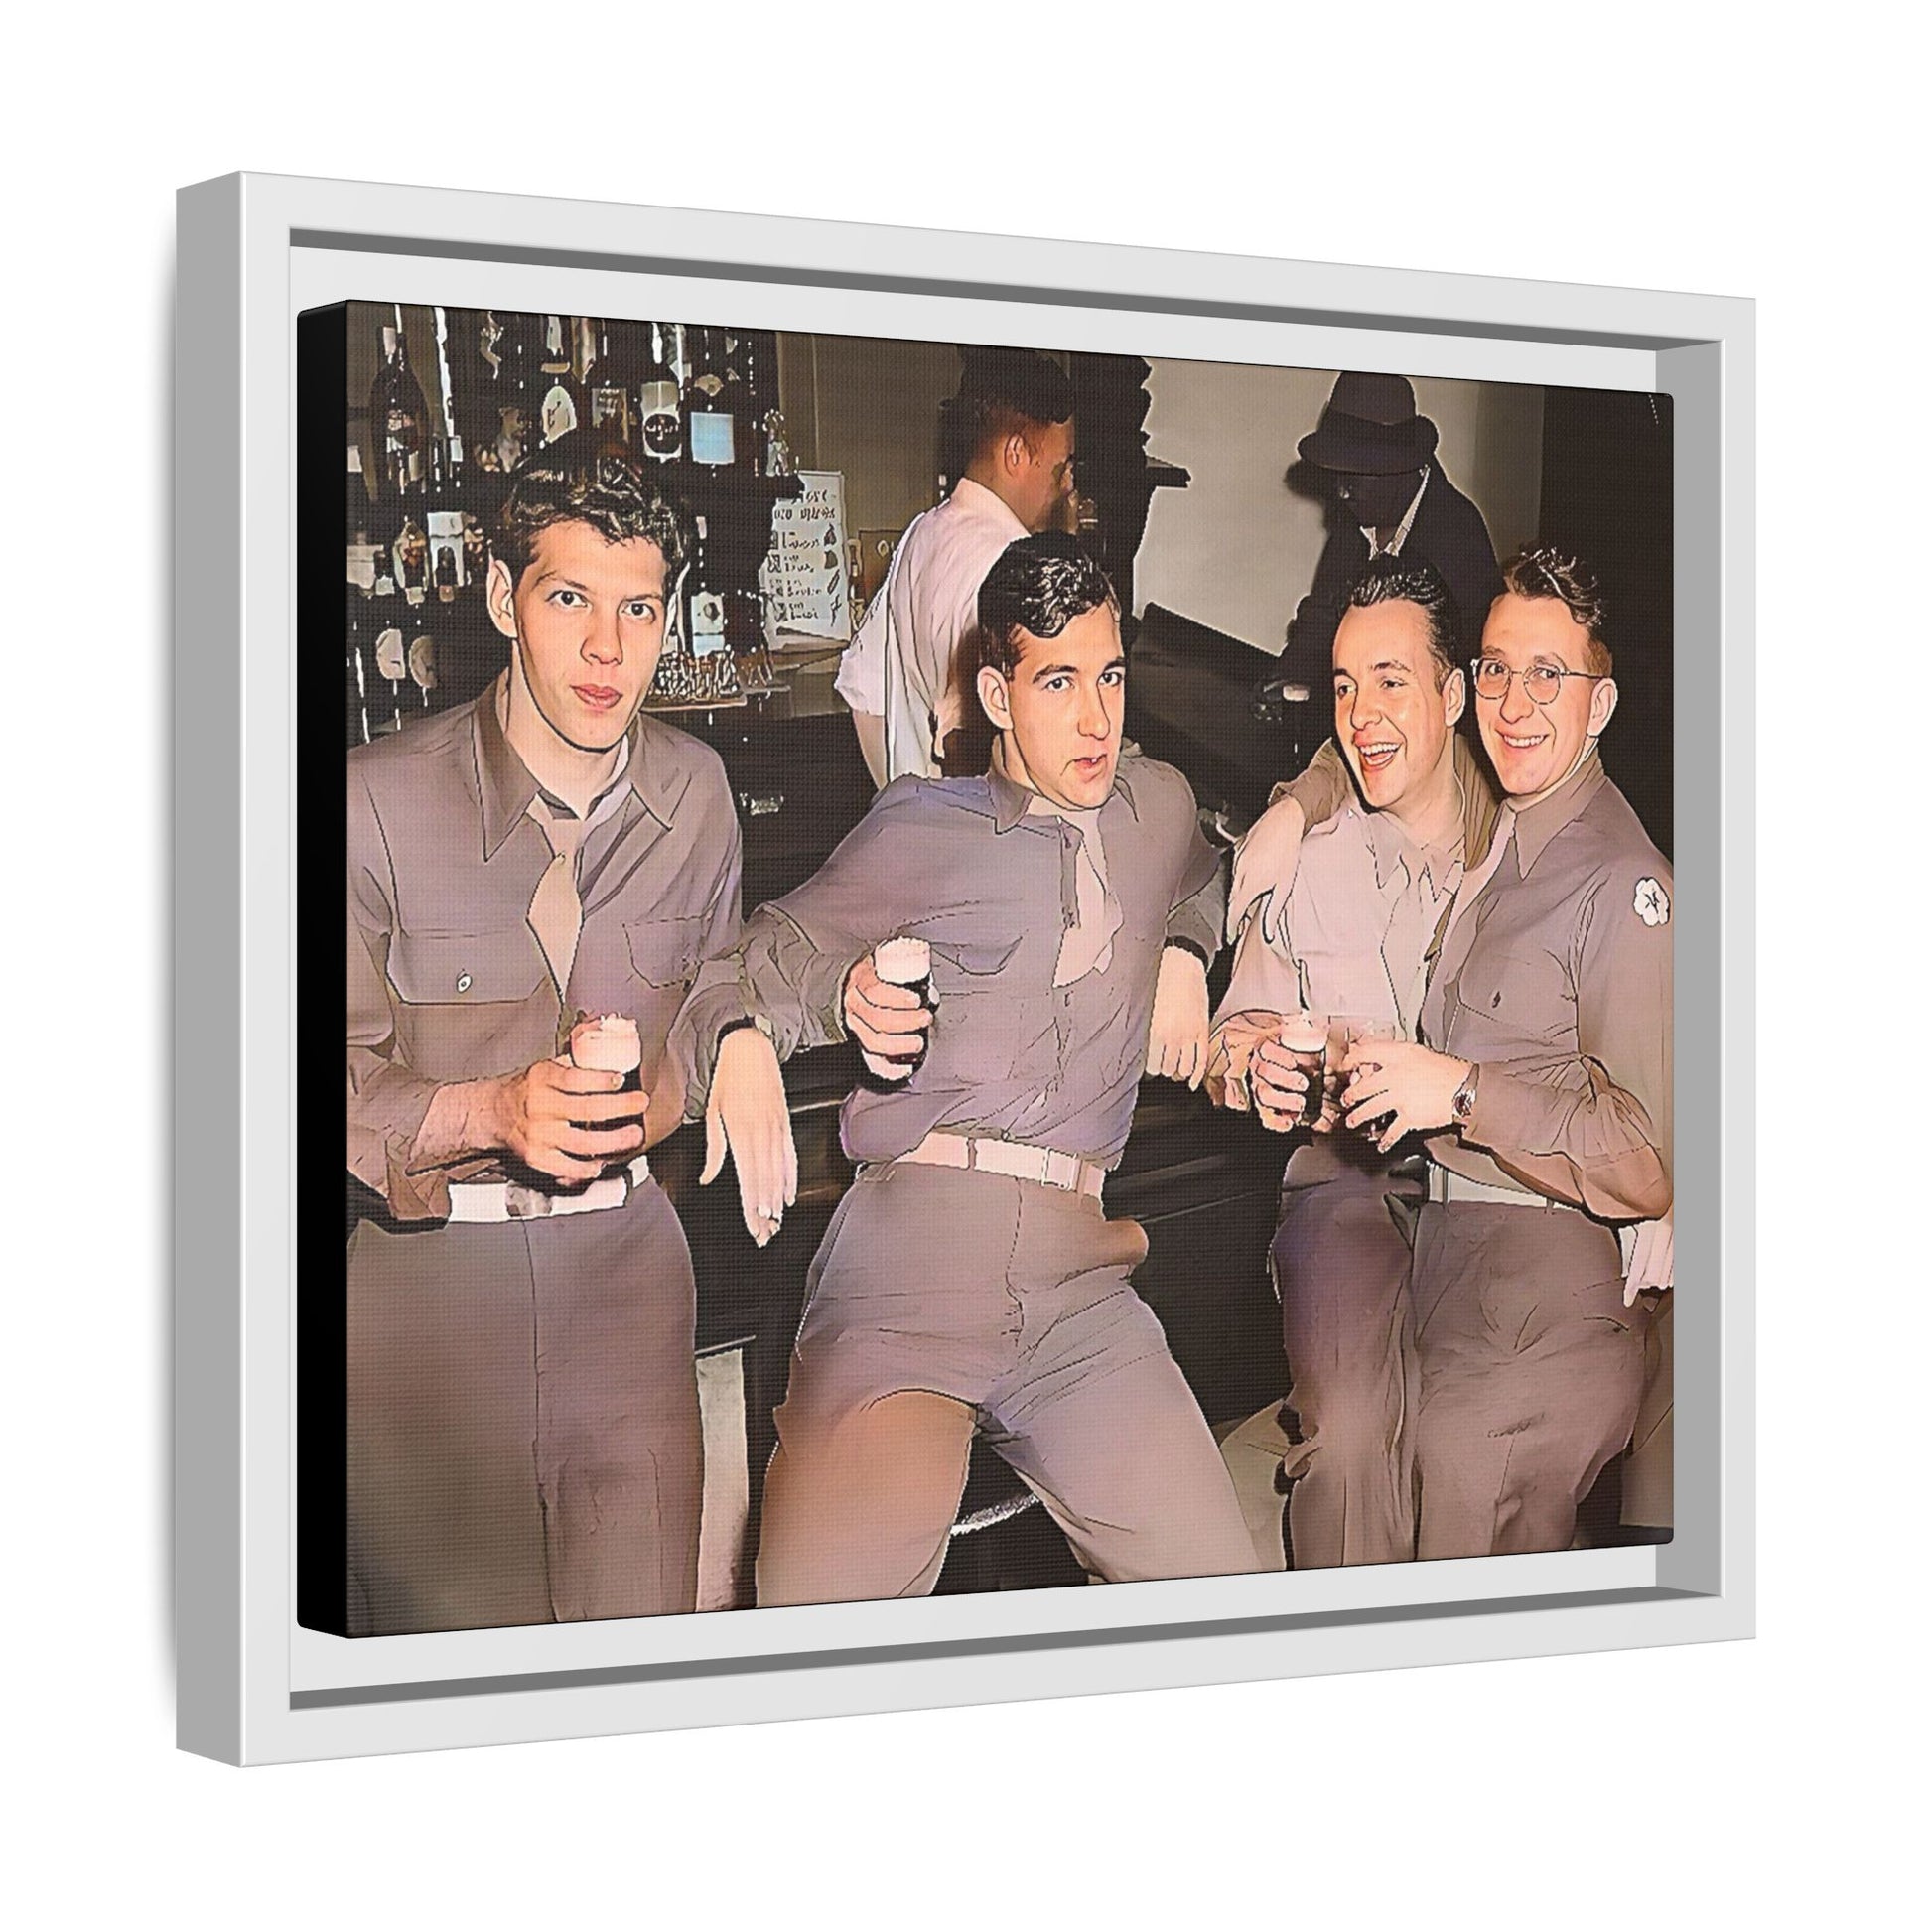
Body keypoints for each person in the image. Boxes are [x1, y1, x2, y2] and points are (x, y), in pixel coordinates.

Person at [674, 532, 1259, 1605]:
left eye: (1111, 675)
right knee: (817, 1624)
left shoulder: (1157, 804)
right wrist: (764, 1026)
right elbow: (752, 957)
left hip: (1081, 1296)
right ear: (994, 689)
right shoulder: (919, 823)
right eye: (1056, 681)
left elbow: (1215, 868)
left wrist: (1184, 944)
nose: (1095, 718)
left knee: (1221, 1596)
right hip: (907, 1270)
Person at [344, 450, 745, 1634]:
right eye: (568, 598)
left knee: (636, 1651)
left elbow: (718, 979)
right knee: (445, 1667)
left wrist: (740, 1049)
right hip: (423, 1298)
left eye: (640, 607)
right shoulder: (370, 799)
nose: (609, 652)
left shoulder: (701, 791)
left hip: (627, 1275)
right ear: (497, 598)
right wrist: (490, 1113)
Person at [1333, 546, 1672, 1559]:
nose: (1512, 703)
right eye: (1493, 669)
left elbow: (1647, 1154)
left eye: (1546, 675)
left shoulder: (1620, 881)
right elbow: (1364, 727)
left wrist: (1464, 1091)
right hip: (1443, 1260)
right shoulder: (1508, 819)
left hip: (1542, 1291)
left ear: (1599, 703)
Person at [1207, 561, 1493, 1570]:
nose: (1362, 716)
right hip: (1343, 1181)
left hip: (1494, 1185)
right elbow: (1233, 1030)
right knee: (1345, 1434)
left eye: (1390, 680)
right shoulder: (1307, 850)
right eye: (1343, 685)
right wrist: (1249, 1066)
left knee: (1477, 1444)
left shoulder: (1521, 841)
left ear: (1453, 694)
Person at [834, 348, 1079, 786]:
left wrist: (899, 797)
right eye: (1061, 467)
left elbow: (864, 693)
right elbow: (964, 742)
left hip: (920, 830)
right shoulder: (1010, 565)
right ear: (1017, 453)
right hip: (984, 841)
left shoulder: (921, 533)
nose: (1066, 486)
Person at [1275, 370, 1502, 700]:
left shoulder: (1458, 538)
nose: (1341, 493)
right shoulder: (1359, 515)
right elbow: (1322, 617)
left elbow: (1472, 670)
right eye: (1337, 477)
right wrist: (1285, 678)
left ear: (1401, 468)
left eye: (1354, 478)